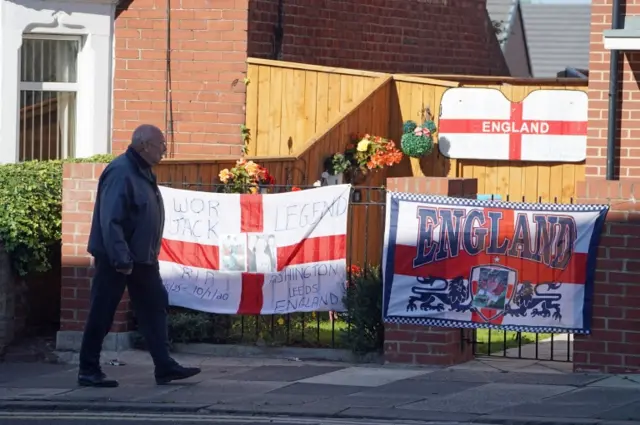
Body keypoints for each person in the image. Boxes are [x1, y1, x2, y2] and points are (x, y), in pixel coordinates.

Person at [78, 124, 201, 388]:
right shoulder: (122, 172)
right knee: (103, 311)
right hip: (118, 259)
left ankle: (164, 366)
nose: (164, 150)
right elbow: (111, 220)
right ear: (144, 145)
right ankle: (88, 369)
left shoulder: (142, 171)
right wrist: (121, 258)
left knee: (154, 306)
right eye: (161, 145)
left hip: (141, 258)